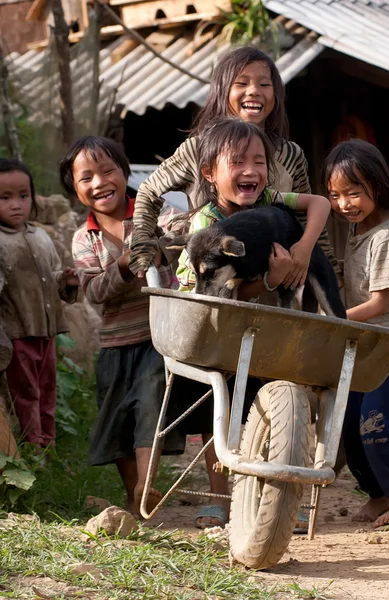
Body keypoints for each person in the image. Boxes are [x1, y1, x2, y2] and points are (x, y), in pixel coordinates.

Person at [172, 116, 332, 528]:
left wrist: (302, 249)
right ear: (209, 173)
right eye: (237, 162)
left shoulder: (272, 204)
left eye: (258, 161)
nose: (250, 171)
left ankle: (279, 496)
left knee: (275, 408)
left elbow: (319, 203)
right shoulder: (204, 225)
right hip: (217, 336)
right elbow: (202, 289)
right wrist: (272, 280)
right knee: (220, 404)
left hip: (265, 335)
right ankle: (220, 493)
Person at [129, 45, 339, 280]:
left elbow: (305, 219)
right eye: (241, 83)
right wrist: (143, 240)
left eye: (264, 84)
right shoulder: (197, 150)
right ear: (222, 91)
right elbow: (148, 191)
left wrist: (326, 266)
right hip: (211, 288)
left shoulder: (290, 155)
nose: (253, 91)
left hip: (272, 288)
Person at [64, 136, 183, 518]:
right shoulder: (85, 239)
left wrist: (159, 243)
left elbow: (181, 240)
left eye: (107, 170)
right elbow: (94, 291)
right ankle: (133, 494)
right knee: (117, 417)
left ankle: (146, 488)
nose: (99, 182)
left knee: (150, 406)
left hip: (157, 335)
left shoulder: (155, 213)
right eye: (86, 177)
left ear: (125, 171)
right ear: (74, 188)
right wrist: (123, 264)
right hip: (115, 343)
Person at [324, 139, 389, 528]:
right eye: (334, 195)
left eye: (353, 192)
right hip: (366, 343)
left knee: (379, 424)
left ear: (376, 187)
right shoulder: (359, 228)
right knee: (351, 427)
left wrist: (335, 318)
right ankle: (379, 495)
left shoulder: (384, 236)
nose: (344, 203)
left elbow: (380, 304)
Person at [0, 158, 79, 450]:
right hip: (17, 333)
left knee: (47, 389)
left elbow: (54, 274)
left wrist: (66, 282)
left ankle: (49, 446)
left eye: (23, 195)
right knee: (26, 392)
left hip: (46, 332)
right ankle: (33, 449)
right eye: (4, 198)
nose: (16, 204)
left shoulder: (41, 237)